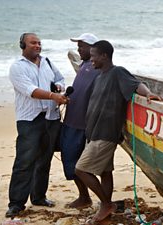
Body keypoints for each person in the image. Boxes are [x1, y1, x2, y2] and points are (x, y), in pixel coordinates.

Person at [75, 40, 163, 222]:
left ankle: (107, 204)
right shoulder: (99, 76)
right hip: (94, 132)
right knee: (105, 172)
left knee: (81, 169)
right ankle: (105, 207)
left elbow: (136, 84)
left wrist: (147, 94)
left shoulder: (117, 72)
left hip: (106, 133)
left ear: (104, 56)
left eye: (93, 56)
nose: (91, 60)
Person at [6, 33, 68, 218]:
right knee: (24, 162)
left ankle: (39, 197)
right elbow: (30, 90)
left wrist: (58, 87)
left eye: (39, 43)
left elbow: (60, 79)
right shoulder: (17, 67)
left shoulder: (48, 62)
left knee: (45, 160)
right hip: (30, 120)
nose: (37, 46)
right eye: (33, 43)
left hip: (51, 117)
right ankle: (16, 204)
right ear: (22, 45)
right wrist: (53, 96)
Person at [60, 33, 100, 209]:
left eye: (82, 46)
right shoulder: (84, 64)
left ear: (92, 48)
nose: (78, 49)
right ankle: (84, 196)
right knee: (68, 160)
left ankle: (93, 199)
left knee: (78, 164)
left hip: (83, 124)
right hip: (71, 119)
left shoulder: (99, 68)